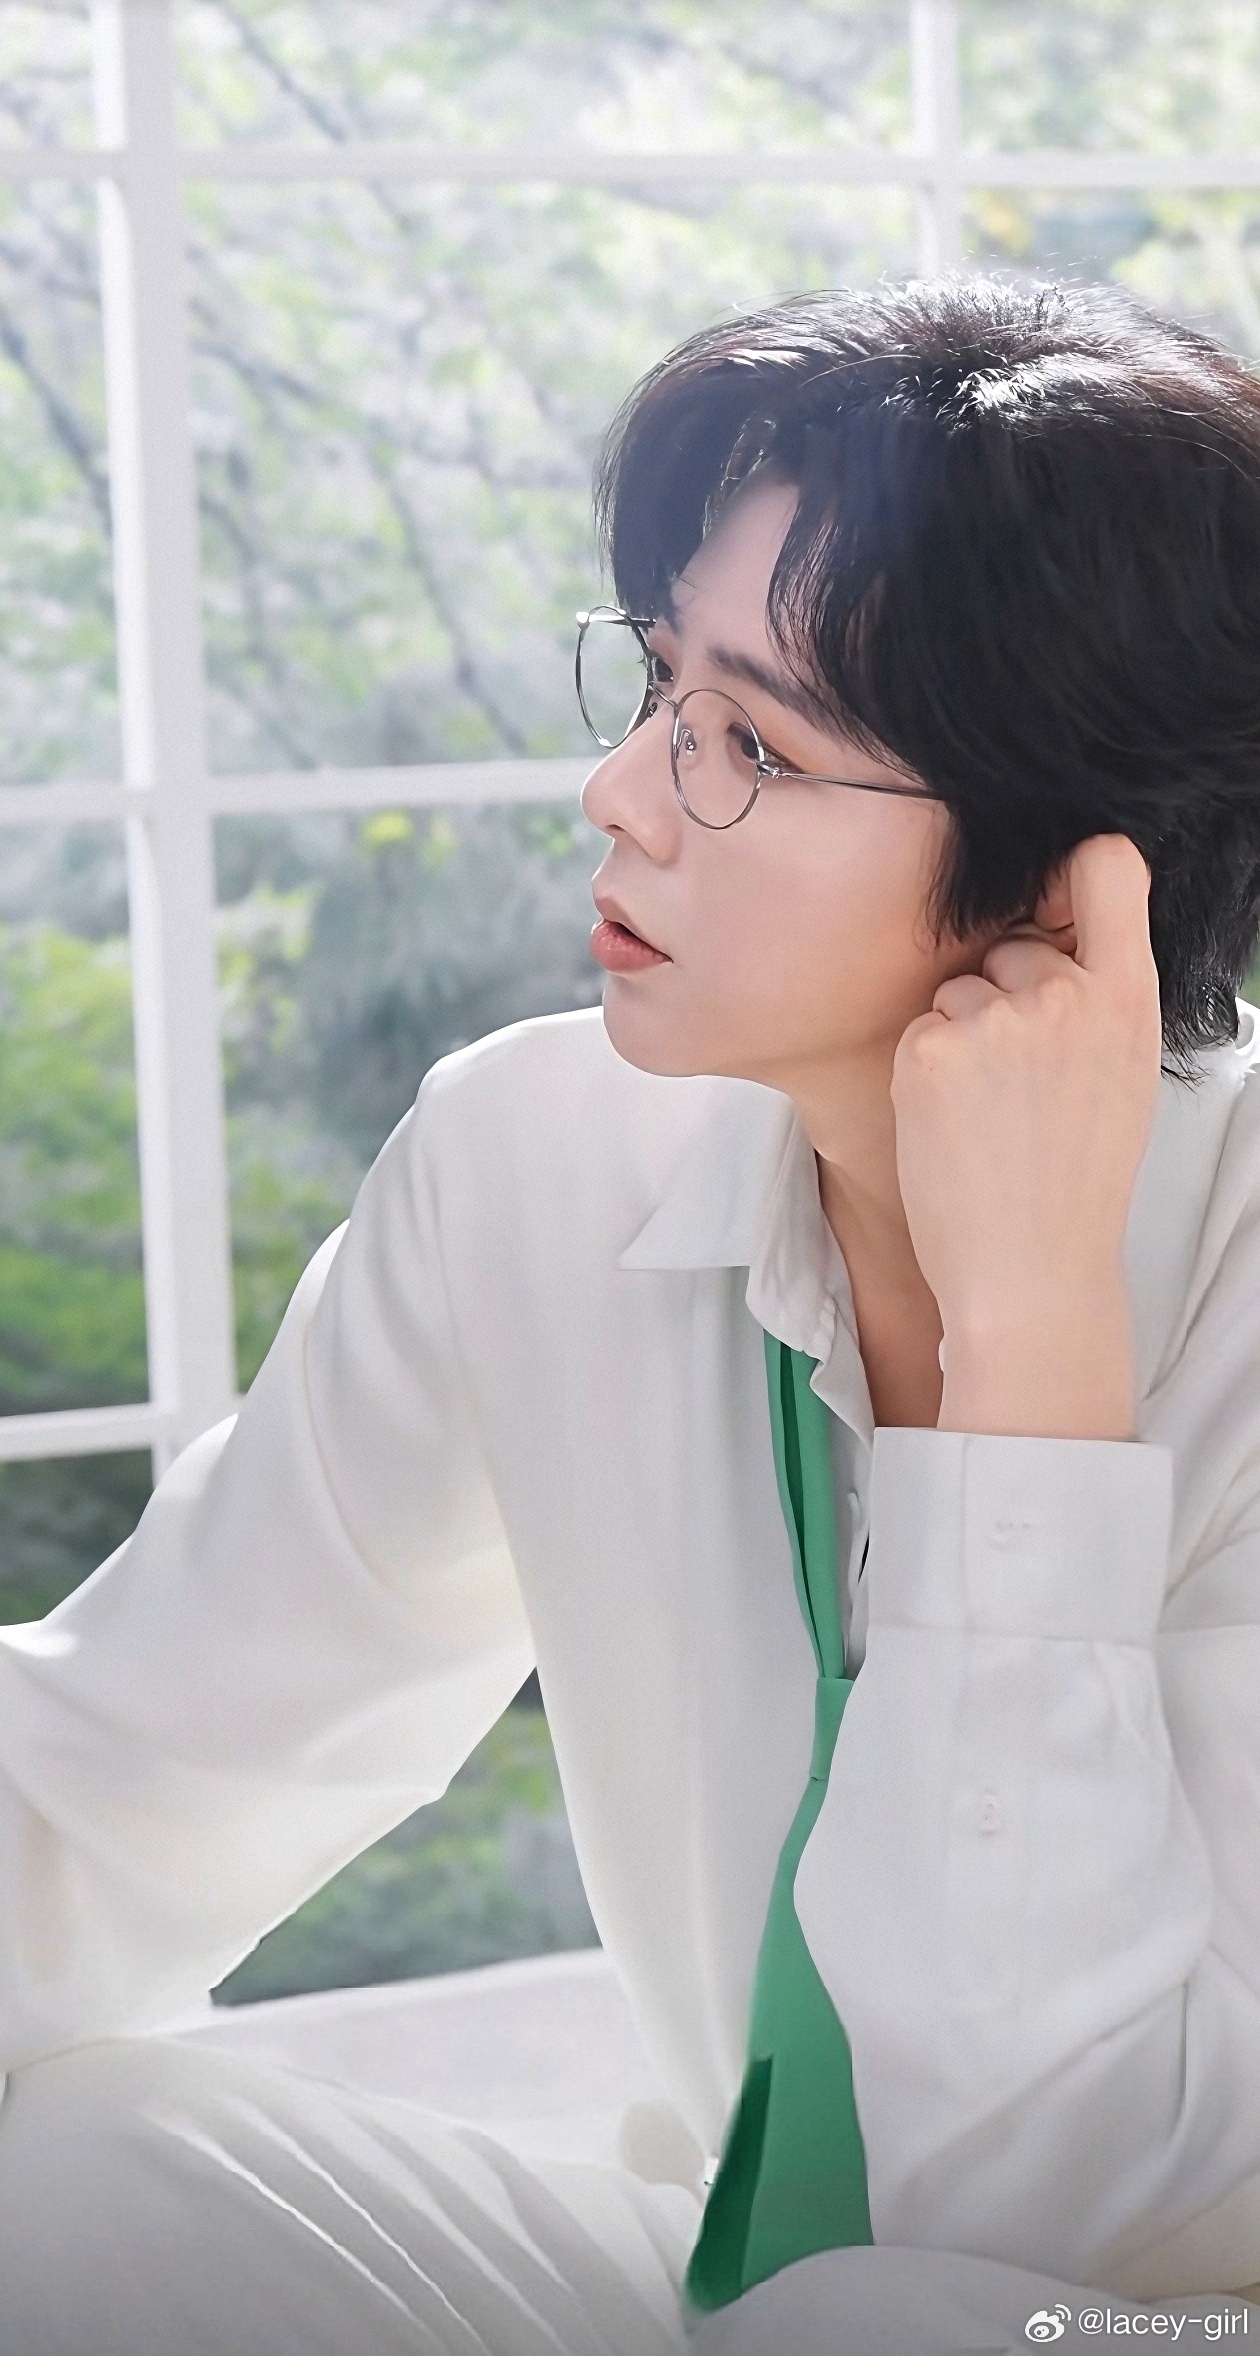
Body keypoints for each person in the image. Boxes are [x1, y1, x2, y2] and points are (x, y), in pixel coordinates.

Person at [2, 274, 1260, 2356]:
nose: (623, 791)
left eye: (751, 742)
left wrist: (1032, 1353)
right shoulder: (533, 1157)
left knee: (873, 2320)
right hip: (745, 2297)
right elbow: (119, 1782)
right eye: (661, 682)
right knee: (71, 2172)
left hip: (1158, 2314)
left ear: (1074, 884)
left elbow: (1055, 2192)